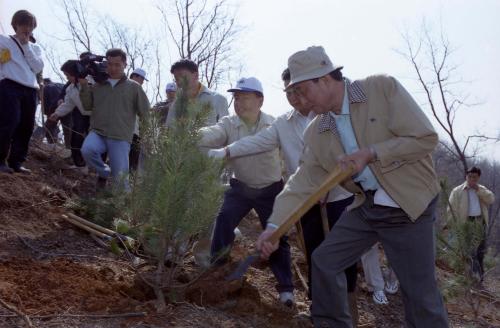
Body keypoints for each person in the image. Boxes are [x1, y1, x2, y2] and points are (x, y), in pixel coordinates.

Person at [256, 46, 449, 327]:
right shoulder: (317, 130)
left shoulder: (381, 89)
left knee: (419, 293)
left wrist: (372, 152)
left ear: (323, 79)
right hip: (368, 207)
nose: (301, 101)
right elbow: (302, 182)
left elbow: (425, 138)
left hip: (410, 204)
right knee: (324, 261)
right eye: (294, 94)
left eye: (302, 91)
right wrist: (274, 227)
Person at [207, 69, 357, 311]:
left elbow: (349, 152)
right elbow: (257, 142)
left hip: (338, 196)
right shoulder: (283, 124)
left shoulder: (333, 115)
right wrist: (226, 152)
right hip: (304, 200)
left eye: (299, 90)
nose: (294, 96)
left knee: (344, 253)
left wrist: (331, 184)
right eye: (289, 91)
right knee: (314, 253)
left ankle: (347, 308)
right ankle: (318, 307)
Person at [200, 77, 295, 306]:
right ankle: (217, 270)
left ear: (260, 100)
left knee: (277, 236)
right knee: (223, 220)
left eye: (245, 97)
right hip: (241, 187)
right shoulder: (229, 124)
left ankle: (286, 288)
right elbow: (210, 133)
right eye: (237, 98)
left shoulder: (273, 124)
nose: (239, 103)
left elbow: (291, 156)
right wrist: (187, 134)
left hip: (271, 189)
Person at [79, 48, 150, 191]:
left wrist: (149, 134)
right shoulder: (98, 85)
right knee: (87, 150)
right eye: (110, 64)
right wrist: (84, 86)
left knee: (121, 180)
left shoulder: (134, 87)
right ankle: (105, 172)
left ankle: (124, 209)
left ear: (125, 64)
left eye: (117, 64)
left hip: (120, 136)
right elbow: (87, 106)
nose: (113, 68)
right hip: (98, 132)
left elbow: (146, 112)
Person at [0, 10, 44, 174]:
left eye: (31, 26)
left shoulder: (35, 47)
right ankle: (0, 160)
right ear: (16, 25)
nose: (27, 28)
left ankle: (16, 162)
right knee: (9, 122)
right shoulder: (3, 40)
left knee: (26, 126)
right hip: (9, 85)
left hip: (30, 89)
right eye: (24, 24)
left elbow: (38, 67)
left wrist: (26, 45)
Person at [448, 166, 495, 281]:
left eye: (474, 177)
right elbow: (451, 209)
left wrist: (479, 190)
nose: (471, 179)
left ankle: (480, 277)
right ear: (466, 176)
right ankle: (468, 276)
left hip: (480, 222)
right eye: (469, 176)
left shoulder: (481, 189)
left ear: (478, 177)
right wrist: (452, 225)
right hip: (466, 223)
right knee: (468, 250)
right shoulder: (457, 191)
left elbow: (491, 199)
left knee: (480, 250)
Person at [48, 60, 91, 170]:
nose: (67, 78)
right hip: (83, 115)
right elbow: (68, 104)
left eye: (68, 75)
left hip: (97, 118)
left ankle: (93, 167)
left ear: (76, 73)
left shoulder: (91, 83)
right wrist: (57, 113)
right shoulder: (70, 88)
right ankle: (79, 165)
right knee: (75, 139)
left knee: (92, 143)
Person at [166, 59, 228, 127]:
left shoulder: (218, 99)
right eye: (176, 78)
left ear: (196, 75)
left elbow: (226, 131)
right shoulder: (175, 105)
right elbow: (169, 132)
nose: (179, 81)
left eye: (182, 76)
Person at [128, 68, 148, 172]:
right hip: (127, 132)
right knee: (129, 160)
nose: (143, 81)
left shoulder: (138, 90)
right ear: (135, 76)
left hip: (135, 131)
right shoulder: (126, 88)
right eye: (142, 78)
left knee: (133, 159)